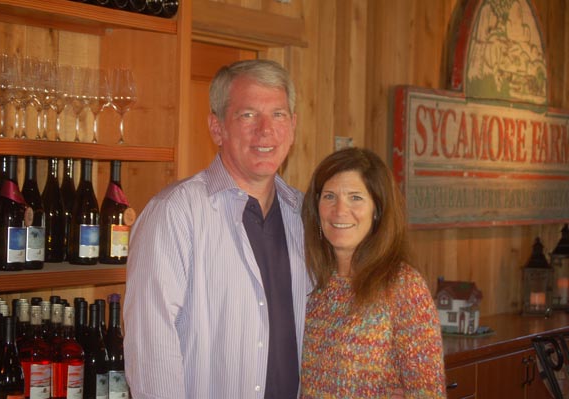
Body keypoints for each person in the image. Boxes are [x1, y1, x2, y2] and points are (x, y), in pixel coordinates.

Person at [123, 59, 310, 399]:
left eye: (279, 114)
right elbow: (150, 347)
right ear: (216, 127)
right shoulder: (175, 213)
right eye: (248, 115)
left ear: (293, 126)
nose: (265, 130)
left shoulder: (306, 214)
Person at [300, 147, 446, 398]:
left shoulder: (403, 286)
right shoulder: (310, 282)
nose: (340, 210)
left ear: (377, 209)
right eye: (329, 196)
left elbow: (428, 392)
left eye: (355, 197)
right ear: (317, 208)